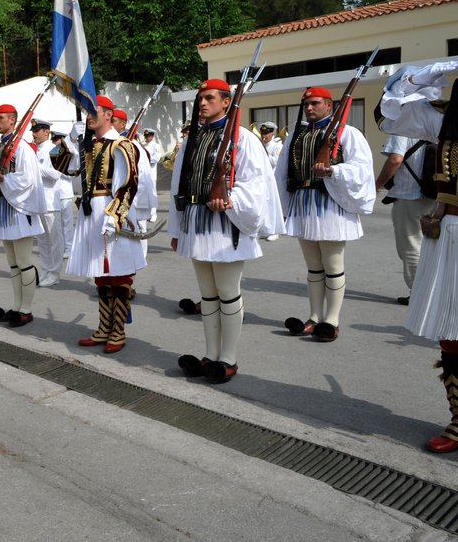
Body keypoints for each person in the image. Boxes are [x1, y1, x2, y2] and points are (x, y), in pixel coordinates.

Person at [169, 79, 283, 383]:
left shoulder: (242, 138)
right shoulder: (193, 138)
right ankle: (210, 354)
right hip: (195, 221)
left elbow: (255, 184)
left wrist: (231, 201)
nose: (202, 103)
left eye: (209, 98)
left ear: (225, 102)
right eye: (200, 99)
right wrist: (177, 226)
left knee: (228, 292)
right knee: (207, 295)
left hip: (225, 224)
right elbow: (179, 184)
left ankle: (228, 358)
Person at [375, 59, 458, 453]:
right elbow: (389, 116)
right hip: (451, 231)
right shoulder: (444, 121)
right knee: (452, 333)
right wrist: (419, 77)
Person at [274, 87, 375, 342]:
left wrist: (334, 171)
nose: (309, 108)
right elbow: (282, 173)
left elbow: (362, 169)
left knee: (333, 265)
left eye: (315, 103)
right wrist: (280, 208)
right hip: (303, 202)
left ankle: (332, 319)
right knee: (313, 267)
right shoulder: (295, 136)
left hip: (330, 204)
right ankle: (314, 316)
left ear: (329, 106)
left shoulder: (347, 133)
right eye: (307, 104)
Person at [67, 96, 146, 353]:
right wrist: (71, 143)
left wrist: (114, 217)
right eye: (87, 112)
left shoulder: (122, 145)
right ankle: (104, 327)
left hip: (111, 211)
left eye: (94, 112)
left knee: (119, 273)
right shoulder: (89, 146)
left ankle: (118, 330)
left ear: (109, 115)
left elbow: (128, 185)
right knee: (100, 274)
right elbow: (67, 172)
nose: (88, 116)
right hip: (91, 211)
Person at [0, 104, 46, 327]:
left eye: (0, 118)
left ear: (13, 120)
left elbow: (27, 178)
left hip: (20, 209)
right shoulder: (3, 146)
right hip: (5, 207)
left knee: (23, 261)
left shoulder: (21, 147)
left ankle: (27, 310)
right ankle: (16, 306)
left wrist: (3, 179)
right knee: (12, 263)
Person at [375, 134, 437, 305]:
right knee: (431, 246)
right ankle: (432, 291)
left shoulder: (403, 127)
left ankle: (419, 294)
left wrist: (377, 185)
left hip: (410, 196)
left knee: (410, 246)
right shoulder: (434, 123)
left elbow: (395, 160)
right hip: (434, 195)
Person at [30, 119, 64, 287]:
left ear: (46, 132)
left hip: (51, 202)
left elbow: (56, 174)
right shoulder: (35, 152)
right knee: (42, 240)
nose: (34, 133)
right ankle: (45, 270)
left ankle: (54, 273)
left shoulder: (58, 149)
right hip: (39, 202)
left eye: (37, 130)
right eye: (33, 130)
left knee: (54, 240)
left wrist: (35, 167)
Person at [50, 130, 79, 259]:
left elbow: (72, 171)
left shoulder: (72, 153)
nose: (54, 142)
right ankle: (63, 247)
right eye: (54, 140)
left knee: (67, 223)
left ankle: (70, 247)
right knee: (59, 224)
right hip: (55, 193)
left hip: (65, 192)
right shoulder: (53, 152)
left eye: (56, 139)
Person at [141, 129, 163, 222]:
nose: (146, 138)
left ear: (152, 136)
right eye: (145, 136)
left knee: (152, 193)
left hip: (152, 173)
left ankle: (153, 214)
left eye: (148, 136)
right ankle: (146, 213)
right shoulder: (143, 145)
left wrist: (146, 158)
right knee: (145, 193)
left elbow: (156, 158)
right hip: (143, 173)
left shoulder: (156, 146)